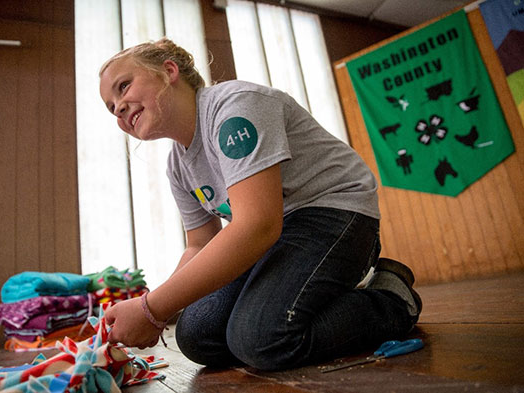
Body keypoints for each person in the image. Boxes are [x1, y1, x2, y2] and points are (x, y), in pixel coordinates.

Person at [99, 37, 422, 371]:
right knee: (197, 336)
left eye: (124, 87)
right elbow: (199, 244)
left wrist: (152, 308)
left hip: (335, 215)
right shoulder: (177, 167)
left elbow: (257, 225)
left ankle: (392, 299)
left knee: (260, 339)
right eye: (111, 107)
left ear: (169, 71)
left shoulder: (234, 106)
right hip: (278, 235)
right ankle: (312, 295)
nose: (119, 107)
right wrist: (153, 309)